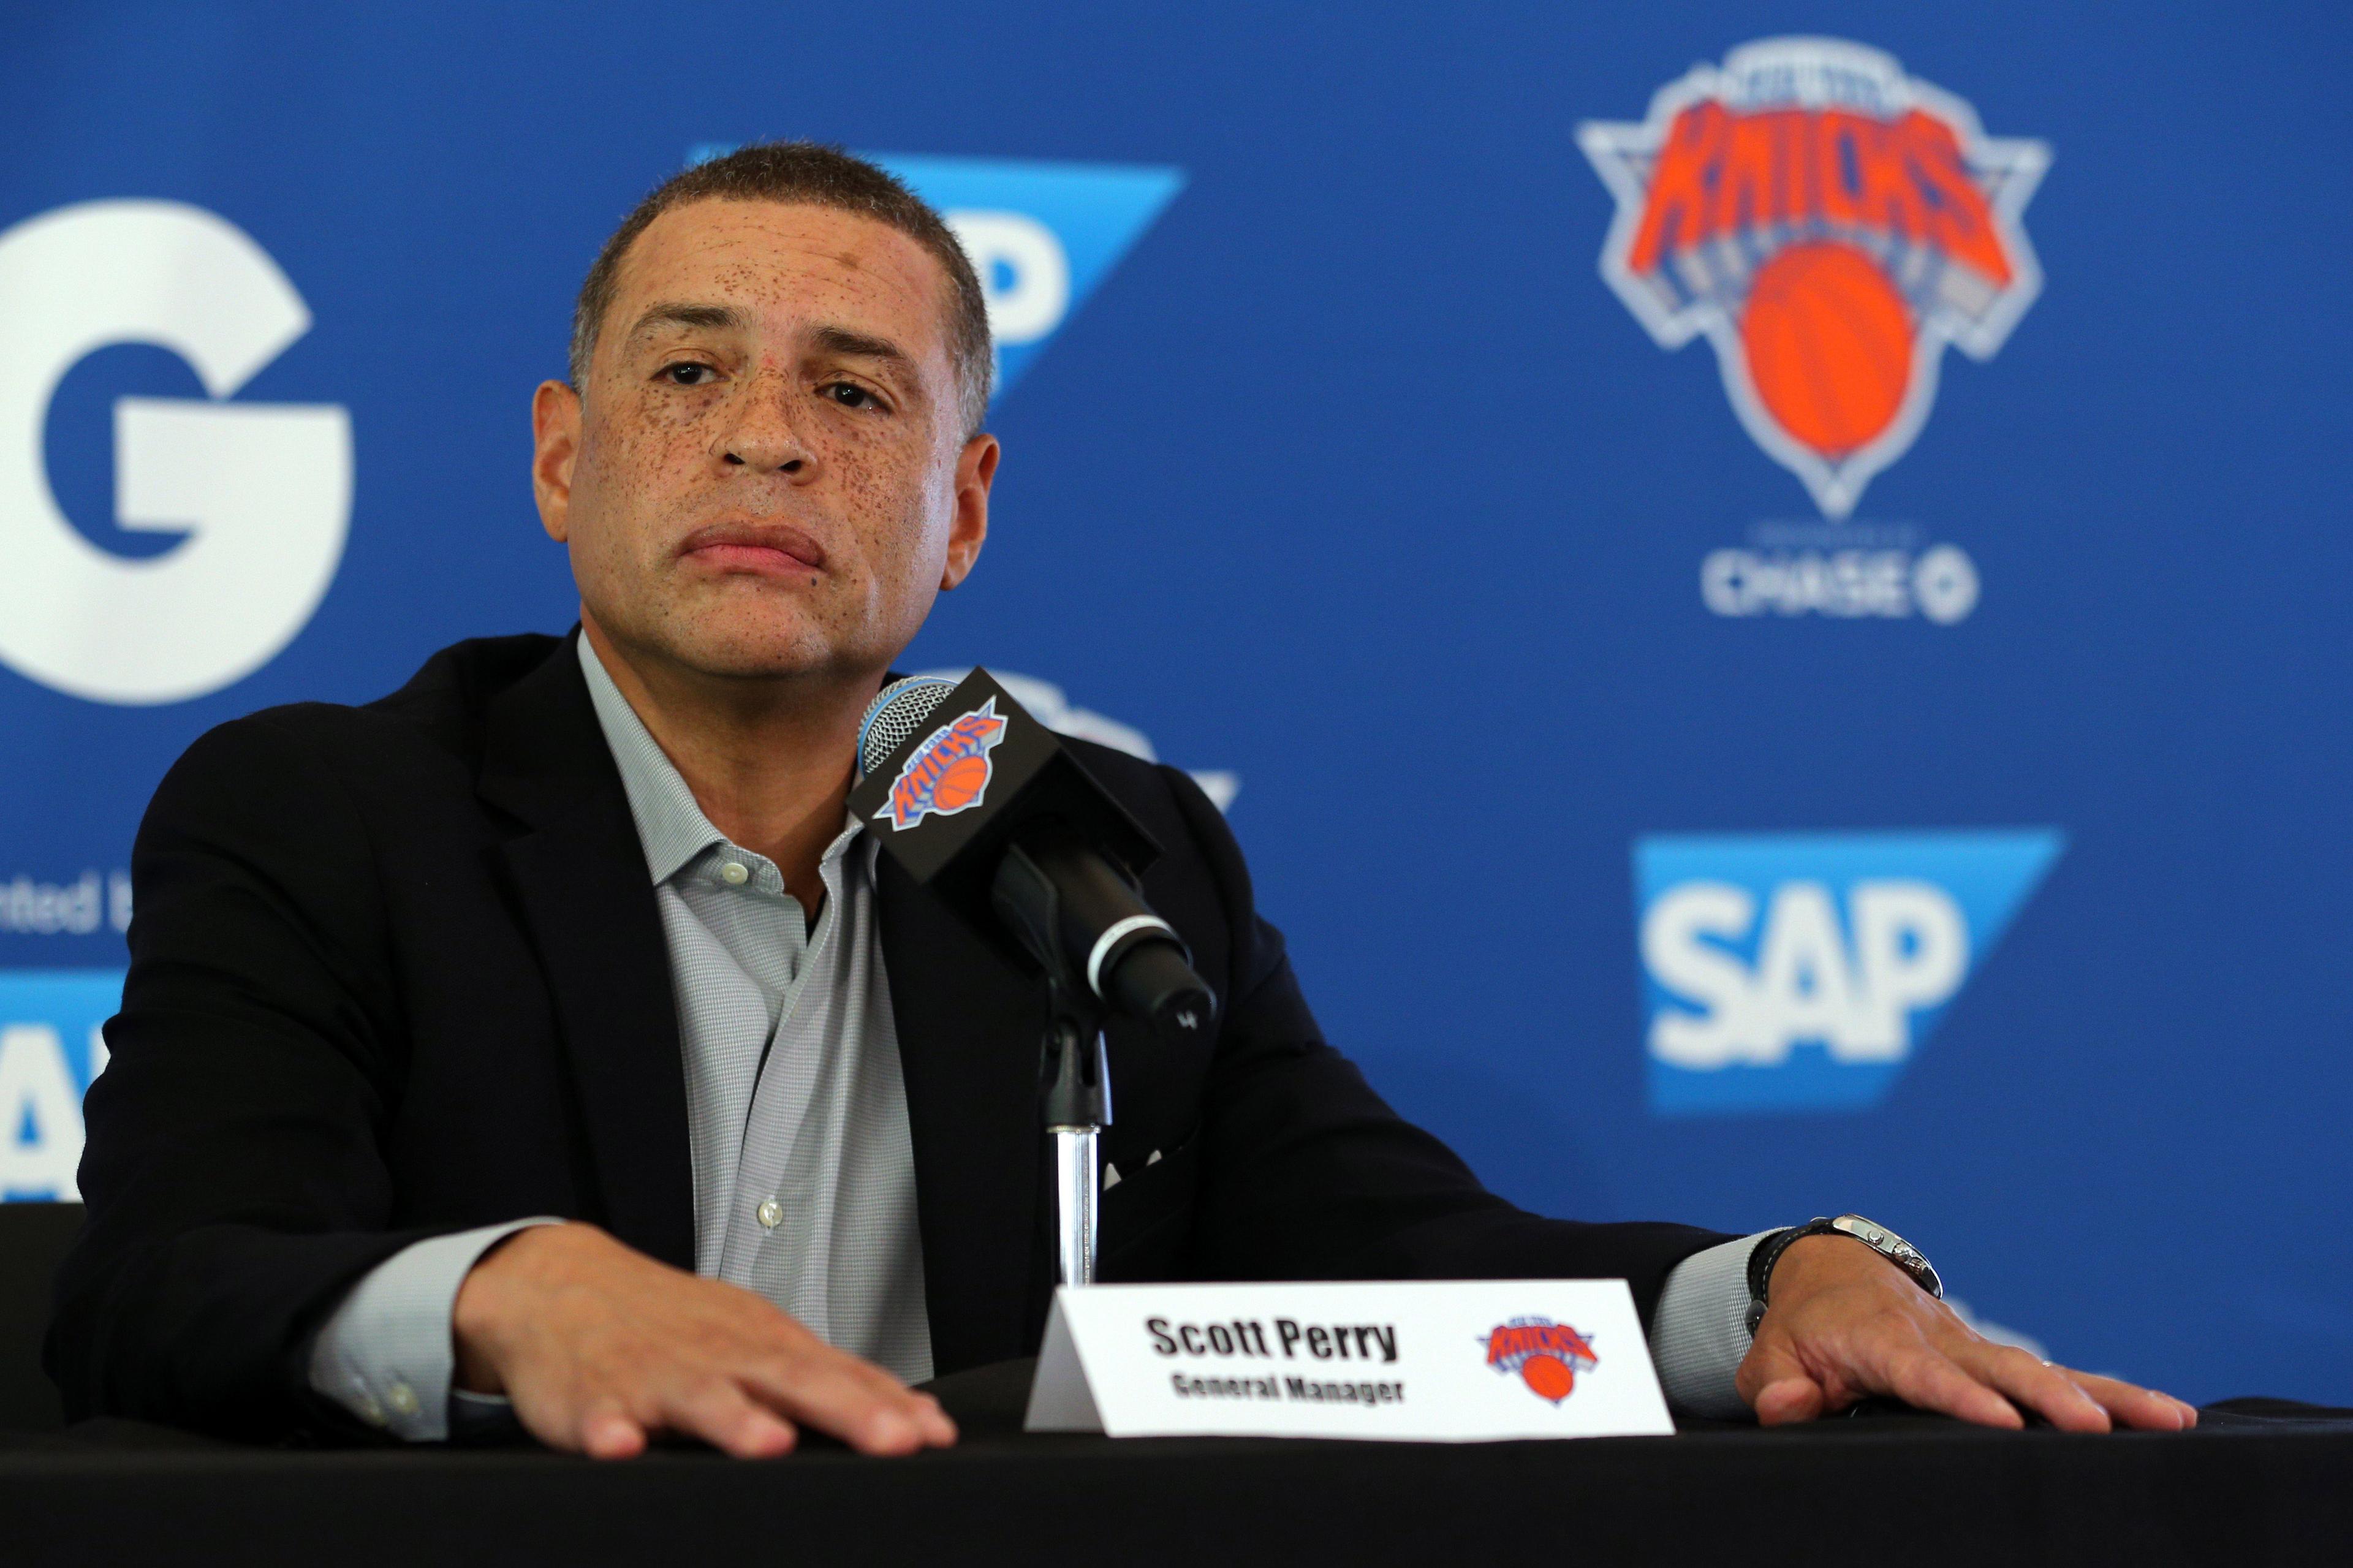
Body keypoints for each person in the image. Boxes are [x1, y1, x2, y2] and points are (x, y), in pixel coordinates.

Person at [46, 144, 2194, 1457]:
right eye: (688, 373)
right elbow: (162, 1276)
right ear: (558, 458)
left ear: (964, 509)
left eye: (855, 391)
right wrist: (514, 1290)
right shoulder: (328, 814)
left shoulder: (1099, 849)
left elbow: (1394, 1257)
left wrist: (1787, 1279)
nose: (769, 441)